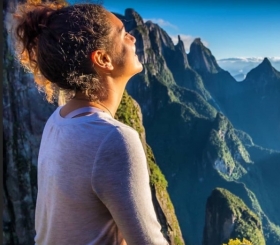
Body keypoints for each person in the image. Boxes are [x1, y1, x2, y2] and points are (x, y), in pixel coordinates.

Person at [11, 1, 169, 244]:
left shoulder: (58, 121)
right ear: (103, 58)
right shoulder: (113, 139)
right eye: (123, 33)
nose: (133, 38)